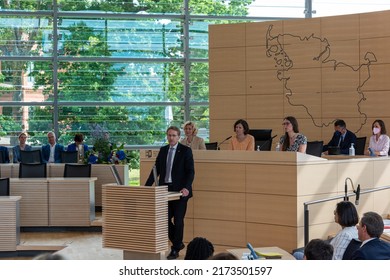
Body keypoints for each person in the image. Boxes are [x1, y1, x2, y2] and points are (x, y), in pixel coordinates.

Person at [145, 126, 195, 260]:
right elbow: (156, 170)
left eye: (174, 135)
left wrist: (186, 187)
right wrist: (146, 187)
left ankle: (174, 249)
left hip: (180, 192)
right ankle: (178, 243)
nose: (171, 138)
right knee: (164, 220)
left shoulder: (186, 151)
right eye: (169, 135)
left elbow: (191, 171)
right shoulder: (163, 150)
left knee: (178, 221)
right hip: (164, 190)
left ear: (178, 137)